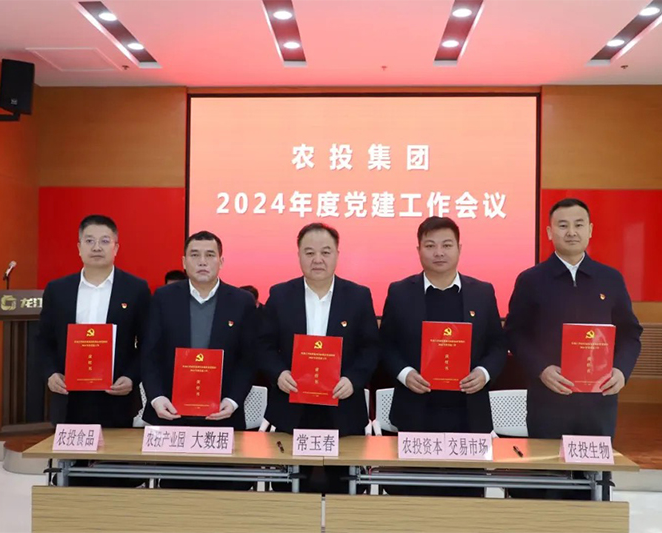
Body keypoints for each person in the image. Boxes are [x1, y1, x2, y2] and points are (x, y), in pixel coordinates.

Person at [504, 198, 642, 499]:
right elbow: (514, 333)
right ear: (549, 232)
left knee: (593, 486)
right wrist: (541, 369)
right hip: (549, 401)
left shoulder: (610, 278)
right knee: (548, 485)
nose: (571, 232)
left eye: (579, 225)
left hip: (598, 403)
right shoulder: (531, 280)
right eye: (563, 225)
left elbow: (631, 333)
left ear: (590, 230)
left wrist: (621, 370)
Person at [380, 216, 507, 496]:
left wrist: (484, 373)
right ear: (418, 250)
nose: (439, 252)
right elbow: (385, 344)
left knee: (466, 497)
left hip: (469, 414)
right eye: (430, 245)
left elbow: (498, 344)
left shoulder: (482, 292)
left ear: (459, 248)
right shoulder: (399, 292)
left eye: (447, 245)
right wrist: (405, 374)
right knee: (415, 496)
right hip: (416, 412)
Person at [258, 223, 379, 493]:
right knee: (288, 489)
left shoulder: (358, 296)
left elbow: (370, 347)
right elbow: (263, 345)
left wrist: (353, 380)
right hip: (292, 406)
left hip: (342, 406)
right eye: (309, 252)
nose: (317, 260)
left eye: (325, 252)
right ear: (298, 255)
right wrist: (278, 374)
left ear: (337, 254)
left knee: (343, 490)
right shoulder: (280, 295)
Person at [37, 214, 150, 486]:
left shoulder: (136, 289)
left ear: (116, 247)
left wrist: (132, 377)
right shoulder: (58, 289)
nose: (96, 247)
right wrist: (50, 373)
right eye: (89, 241)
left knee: (115, 476)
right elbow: (43, 340)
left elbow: (148, 343)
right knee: (72, 476)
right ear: (79, 247)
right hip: (70, 397)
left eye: (104, 241)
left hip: (116, 395)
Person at [141, 231, 257, 489]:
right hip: (172, 417)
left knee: (223, 494)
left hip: (222, 416)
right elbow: (149, 354)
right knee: (175, 495)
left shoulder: (242, 302)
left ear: (221, 261)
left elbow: (248, 360)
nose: (202, 261)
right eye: (195, 255)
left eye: (210, 255)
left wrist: (232, 401)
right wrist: (157, 398)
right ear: (184, 262)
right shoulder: (163, 298)